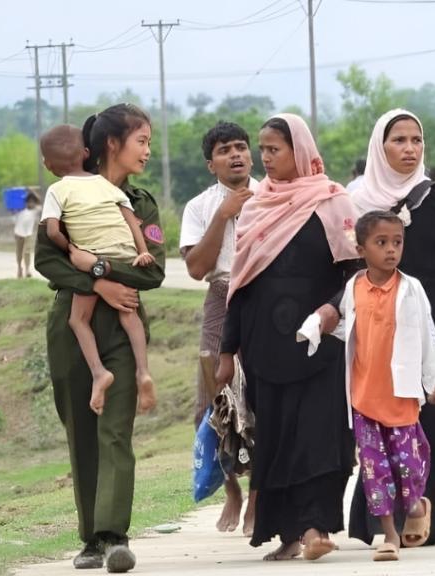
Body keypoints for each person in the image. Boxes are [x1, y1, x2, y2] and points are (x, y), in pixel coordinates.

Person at [346, 108, 435, 545]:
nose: (409, 149)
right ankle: (383, 518)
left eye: (416, 140)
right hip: (377, 335)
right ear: (380, 146)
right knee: (383, 424)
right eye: (399, 140)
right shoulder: (357, 203)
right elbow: (345, 272)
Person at [216, 113, 359, 562]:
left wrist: (334, 308)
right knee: (275, 438)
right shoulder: (256, 206)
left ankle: (316, 527)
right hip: (265, 347)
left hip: (319, 343)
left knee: (318, 434)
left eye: (274, 149)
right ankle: (287, 533)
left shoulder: (333, 202)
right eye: (263, 149)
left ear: (299, 150)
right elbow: (240, 284)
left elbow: (354, 273)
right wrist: (226, 350)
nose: (265, 157)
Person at [33, 103, 165, 572]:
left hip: (124, 324)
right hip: (73, 323)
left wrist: (102, 270)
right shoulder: (67, 193)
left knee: (115, 433)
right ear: (113, 144)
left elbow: (155, 272)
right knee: (82, 433)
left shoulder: (143, 204)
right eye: (142, 141)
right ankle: (89, 538)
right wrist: (97, 284)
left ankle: (113, 536)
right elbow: (46, 260)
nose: (147, 151)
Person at [320, 210, 435, 562]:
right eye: (381, 243)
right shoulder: (352, 288)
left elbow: (427, 336)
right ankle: (389, 535)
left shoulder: (412, 289)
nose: (391, 250)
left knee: (409, 464)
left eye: (397, 242)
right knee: (374, 469)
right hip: (364, 397)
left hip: (402, 396)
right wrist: (315, 326)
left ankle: (415, 504)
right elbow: (345, 329)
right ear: (361, 249)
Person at [39, 124, 157, 417]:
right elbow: (130, 219)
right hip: (125, 255)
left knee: (78, 320)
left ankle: (99, 373)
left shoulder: (57, 190)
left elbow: (51, 232)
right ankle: (144, 371)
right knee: (129, 313)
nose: (146, 150)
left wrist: (72, 251)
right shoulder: (106, 186)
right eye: (142, 141)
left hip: (92, 259)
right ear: (87, 154)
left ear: (47, 164)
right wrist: (141, 251)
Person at [180, 121, 258, 536]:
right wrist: (224, 216)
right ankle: (232, 490)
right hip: (220, 297)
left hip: (264, 299)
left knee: (264, 399)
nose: (236, 155)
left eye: (241, 147)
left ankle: (259, 496)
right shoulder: (200, 206)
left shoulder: (273, 196)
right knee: (214, 400)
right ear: (211, 163)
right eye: (225, 150)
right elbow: (196, 269)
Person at [13, 190, 41, 278]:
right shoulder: (19, 211)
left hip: (29, 234)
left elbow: (39, 202)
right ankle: (19, 268)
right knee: (19, 252)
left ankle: (27, 270)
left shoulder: (35, 211)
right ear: (26, 202)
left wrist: (31, 191)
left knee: (27, 252)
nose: (30, 204)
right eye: (29, 201)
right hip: (18, 233)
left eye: (32, 202)